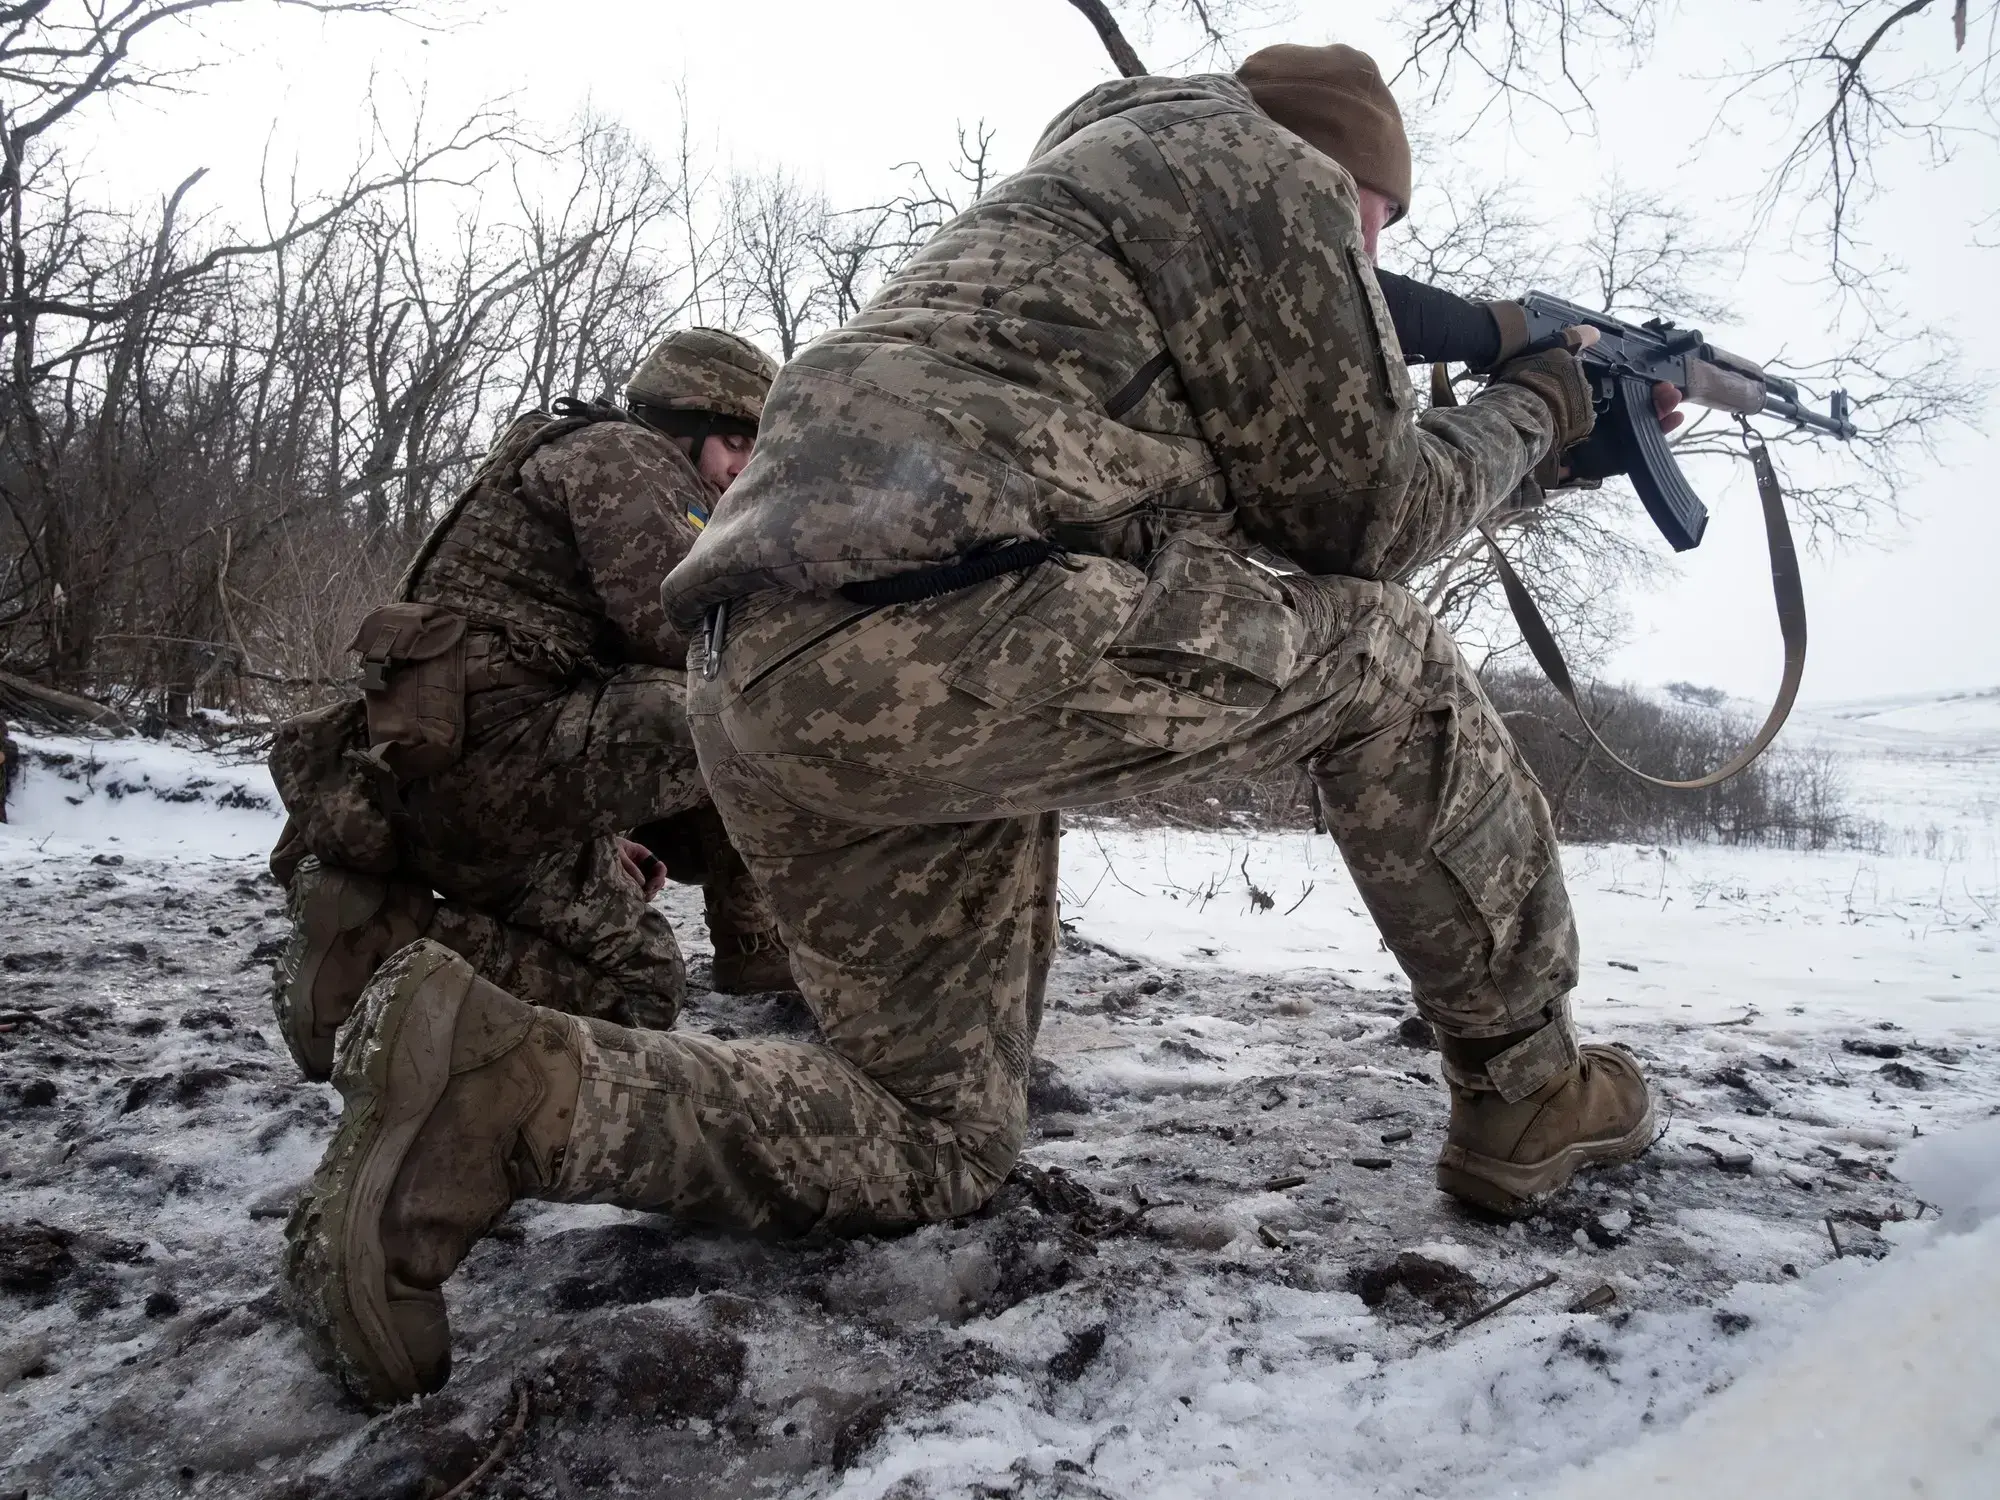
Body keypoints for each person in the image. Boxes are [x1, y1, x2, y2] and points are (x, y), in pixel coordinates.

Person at [282, 45, 1672, 1405]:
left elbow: (1274, 505)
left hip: (759, 680)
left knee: (933, 1137)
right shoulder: (1256, 168)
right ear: (1343, 175)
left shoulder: (1063, 239)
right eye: (1379, 222)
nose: (1371, 257)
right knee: (1388, 659)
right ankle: (1529, 1088)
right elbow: (1363, 531)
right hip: (932, 640)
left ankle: (498, 1092)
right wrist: (1541, 405)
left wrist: (1535, 448)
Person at [264, 327, 795, 1084]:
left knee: (642, 986)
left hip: (449, 774)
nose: (742, 469)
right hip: (493, 768)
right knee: (736, 700)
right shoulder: (627, 455)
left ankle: (376, 942)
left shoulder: (556, 449)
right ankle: (757, 947)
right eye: (738, 442)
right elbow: (684, 630)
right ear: (687, 421)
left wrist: (602, 832)